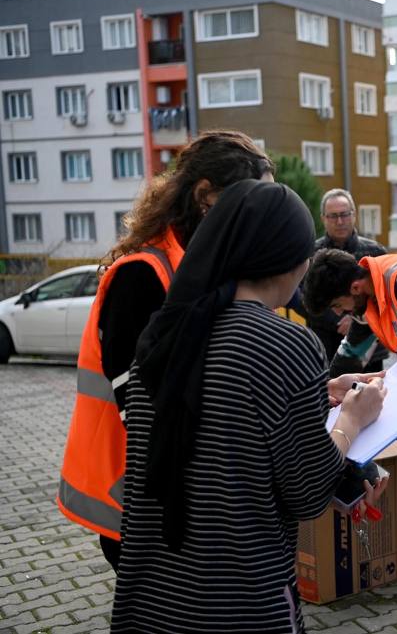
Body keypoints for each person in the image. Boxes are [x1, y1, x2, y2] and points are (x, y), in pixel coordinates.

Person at [111, 180, 388, 632]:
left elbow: (217, 415)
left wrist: (315, 392)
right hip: (239, 601)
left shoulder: (164, 333)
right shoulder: (286, 343)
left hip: (152, 597)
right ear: (291, 259)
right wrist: (353, 420)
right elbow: (308, 492)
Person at [56, 130, 274, 573]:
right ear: (205, 196)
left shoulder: (202, 268)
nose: (262, 218)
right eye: (252, 202)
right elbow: (144, 411)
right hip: (138, 497)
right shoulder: (141, 275)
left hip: (174, 491)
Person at [302, 248, 397, 599]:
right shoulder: (372, 298)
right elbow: (348, 360)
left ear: (355, 288)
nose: (341, 314)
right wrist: (322, 409)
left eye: (339, 306)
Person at [310, 188, 388, 373]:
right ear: (323, 218)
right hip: (325, 341)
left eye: (344, 214)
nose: (339, 221)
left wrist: (357, 320)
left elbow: (385, 296)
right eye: (333, 216)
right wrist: (337, 320)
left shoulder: (375, 252)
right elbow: (304, 297)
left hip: (370, 347)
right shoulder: (311, 253)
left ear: (354, 215)